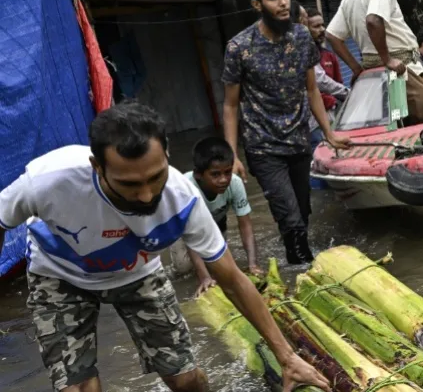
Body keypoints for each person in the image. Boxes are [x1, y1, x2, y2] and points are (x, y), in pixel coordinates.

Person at [0, 102, 330, 392]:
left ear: (167, 155)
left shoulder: (182, 198)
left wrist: (286, 357)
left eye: (154, 177)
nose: (146, 195)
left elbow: (232, 280)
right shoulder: (47, 181)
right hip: (60, 276)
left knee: (185, 380)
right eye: (129, 183)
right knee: (76, 387)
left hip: (136, 273)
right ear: (97, 167)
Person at [222, 0, 349, 265]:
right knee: (290, 219)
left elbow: (312, 88)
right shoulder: (239, 48)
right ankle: (307, 271)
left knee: (303, 213)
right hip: (263, 147)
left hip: (299, 139)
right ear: (257, 5)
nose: (282, 3)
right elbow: (230, 105)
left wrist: (329, 133)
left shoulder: (301, 36)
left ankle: (298, 265)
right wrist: (232, 155)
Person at [184, 137, 260, 297]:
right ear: (198, 174)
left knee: (218, 265)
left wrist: (253, 265)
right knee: (183, 270)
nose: (223, 179)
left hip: (217, 223)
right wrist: (204, 278)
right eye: (215, 174)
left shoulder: (236, 184)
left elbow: (245, 225)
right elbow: (191, 239)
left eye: (227, 172)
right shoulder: (186, 190)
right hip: (182, 230)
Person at [305, 7, 349, 113]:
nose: (322, 30)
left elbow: (338, 85)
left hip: (332, 111)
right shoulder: (301, 56)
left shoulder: (329, 55)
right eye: (316, 26)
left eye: (323, 25)